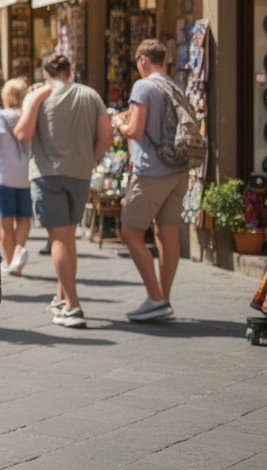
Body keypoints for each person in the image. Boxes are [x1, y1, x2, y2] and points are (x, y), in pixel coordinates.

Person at [14, 53, 113, 329]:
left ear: (45, 73)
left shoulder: (38, 95)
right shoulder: (90, 95)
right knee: (68, 238)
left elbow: (22, 135)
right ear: (70, 71)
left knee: (59, 240)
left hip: (48, 174)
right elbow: (107, 136)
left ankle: (73, 306)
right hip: (79, 174)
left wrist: (33, 100)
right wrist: (90, 160)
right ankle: (62, 297)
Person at [111, 39, 189, 322]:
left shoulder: (143, 86)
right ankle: (163, 299)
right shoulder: (174, 86)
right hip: (178, 171)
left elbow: (135, 129)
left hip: (151, 172)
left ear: (143, 60)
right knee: (167, 234)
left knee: (130, 232)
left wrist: (119, 123)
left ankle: (156, 298)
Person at [0, 78, 33, 276]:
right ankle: (19, 251)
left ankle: (11, 261)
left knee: (6, 219)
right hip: (27, 176)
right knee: (24, 218)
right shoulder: (31, 116)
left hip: (4, 175)